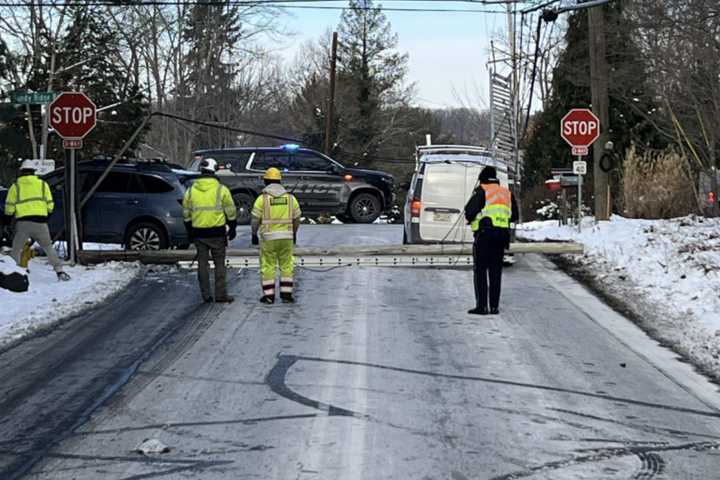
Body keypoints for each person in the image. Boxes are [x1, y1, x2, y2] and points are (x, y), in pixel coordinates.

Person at [464, 166, 518, 315]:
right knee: (495, 272)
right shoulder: (506, 193)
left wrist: (478, 217)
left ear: (482, 178)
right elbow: (514, 215)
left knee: (481, 271)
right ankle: (494, 306)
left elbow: (469, 212)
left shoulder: (482, 190)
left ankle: (482, 306)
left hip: (484, 236)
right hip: (501, 237)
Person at [4, 160, 70, 281]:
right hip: (41, 223)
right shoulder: (42, 184)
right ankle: (60, 271)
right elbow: (50, 204)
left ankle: (14, 273)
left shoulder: (16, 186)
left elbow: (9, 207)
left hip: (23, 223)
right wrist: (46, 217)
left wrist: (7, 221)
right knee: (48, 247)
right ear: (34, 172)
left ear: (21, 172)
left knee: (17, 248)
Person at [183, 158, 237, 303]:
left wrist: (189, 230)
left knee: (202, 264)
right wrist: (232, 227)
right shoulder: (221, 189)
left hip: (198, 233)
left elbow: (186, 214)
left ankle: (206, 295)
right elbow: (231, 211)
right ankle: (221, 295)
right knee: (219, 264)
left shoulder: (191, 190)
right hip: (217, 233)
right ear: (214, 171)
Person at [251, 167, 301, 304]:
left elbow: (255, 218)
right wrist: (294, 232)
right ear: (280, 181)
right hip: (287, 237)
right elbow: (297, 217)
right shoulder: (291, 198)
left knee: (268, 266)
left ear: (266, 181)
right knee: (287, 265)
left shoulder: (262, 199)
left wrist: (254, 234)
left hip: (268, 238)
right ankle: (286, 295)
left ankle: (269, 296)